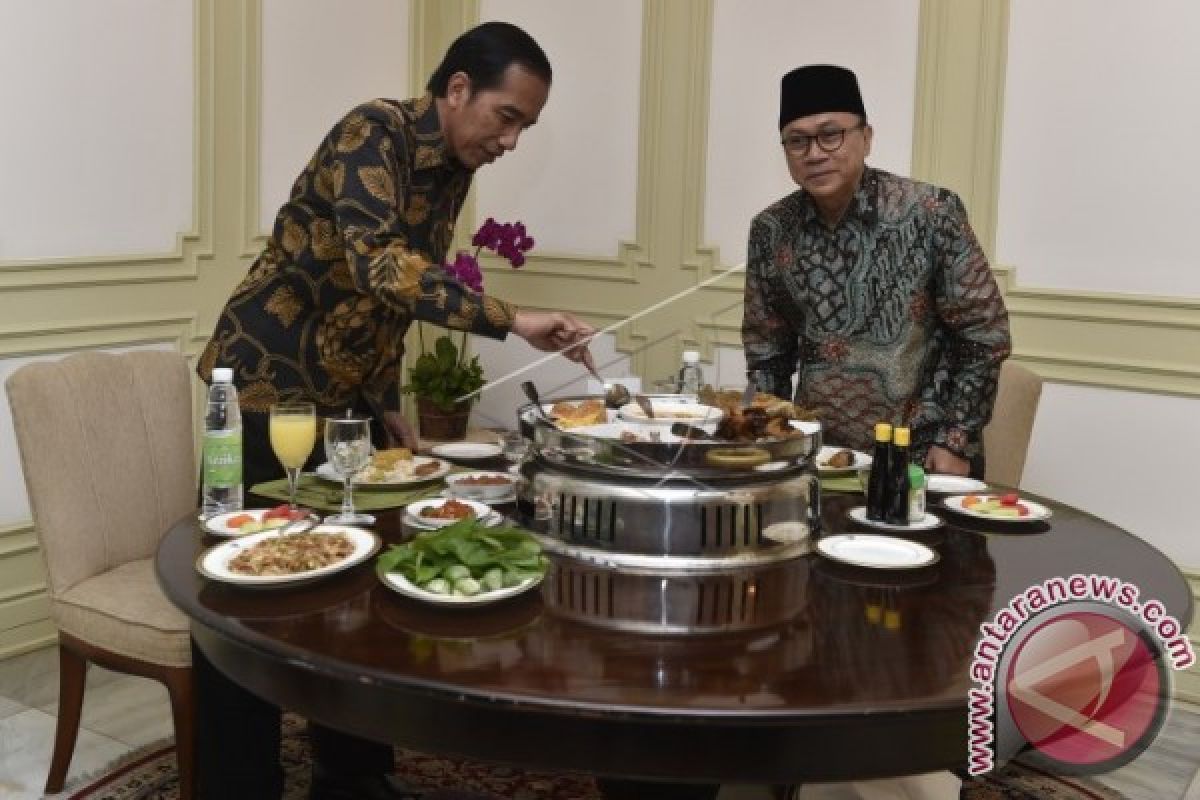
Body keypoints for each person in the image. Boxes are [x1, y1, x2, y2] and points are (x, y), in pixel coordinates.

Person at [195, 21, 596, 800]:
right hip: (261, 384)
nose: (512, 140)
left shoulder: (452, 166)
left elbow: (387, 302)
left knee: (362, 580)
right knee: (243, 586)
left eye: (526, 126)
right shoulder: (371, 130)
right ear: (456, 90)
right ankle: (236, 782)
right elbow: (379, 264)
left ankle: (352, 774)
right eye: (507, 116)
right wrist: (513, 317)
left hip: (345, 395)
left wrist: (387, 403)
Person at [742, 64, 1011, 480]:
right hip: (818, 456)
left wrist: (955, 438)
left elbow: (985, 335)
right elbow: (767, 355)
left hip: (922, 453)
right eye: (797, 141)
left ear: (866, 138)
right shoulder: (772, 229)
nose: (814, 153)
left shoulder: (930, 212)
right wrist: (765, 441)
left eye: (830, 135)